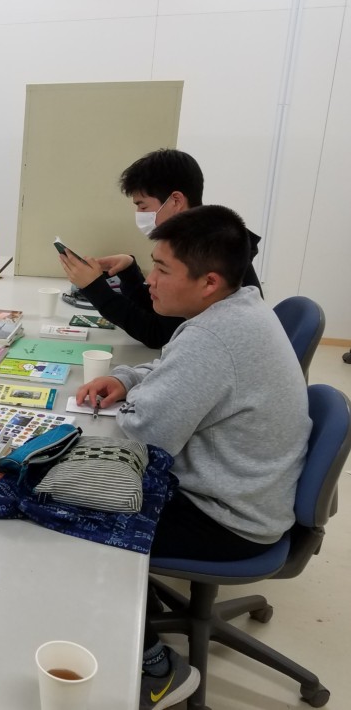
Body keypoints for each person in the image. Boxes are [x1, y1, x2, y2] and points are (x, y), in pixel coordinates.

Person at [75, 205, 311, 710]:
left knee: (76, 518)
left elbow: (147, 435)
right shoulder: (238, 307)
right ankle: (138, 611)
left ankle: (157, 669)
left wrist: (128, 404)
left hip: (228, 519)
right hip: (249, 492)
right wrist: (127, 378)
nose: (150, 281)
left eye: (162, 269)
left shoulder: (212, 337)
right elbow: (172, 369)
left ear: (208, 282)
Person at [59, 149, 262, 348]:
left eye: (143, 206)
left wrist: (95, 288)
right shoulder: (198, 236)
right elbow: (160, 309)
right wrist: (129, 272)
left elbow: (158, 334)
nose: (139, 214)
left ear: (176, 201)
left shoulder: (201, 250)